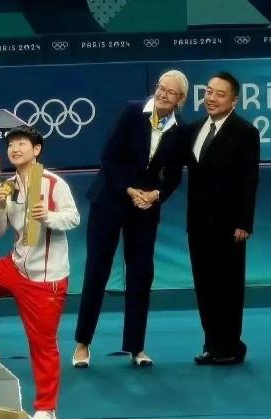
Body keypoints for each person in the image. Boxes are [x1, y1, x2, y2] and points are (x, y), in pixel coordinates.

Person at [73, 70, 189, 367]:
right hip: (110, 199)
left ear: (181, 99)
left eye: (170, 92)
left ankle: (137, 348)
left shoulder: (180, 129)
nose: (162, 94)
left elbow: (174, 175)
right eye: (161, 88)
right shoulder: (131, 112)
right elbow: (109, 157)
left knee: (141, 275)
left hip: (145, 208)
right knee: (97, 270)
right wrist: (128, 189)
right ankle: (82, 344)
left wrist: (155, 194)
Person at [0, 125, 79, 419]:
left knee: (42, 346)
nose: (15, 149)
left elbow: (73, 218)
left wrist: (48, 216)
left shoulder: (54, 183)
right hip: (13, 266)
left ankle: (46, 409)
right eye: (11, 145)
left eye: (22, 144)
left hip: (45, 279)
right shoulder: (8, 186)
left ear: (36, 150)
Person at [188, 72, 260, 365]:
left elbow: (249, 179)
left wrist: (244, 221)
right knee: (205, 286)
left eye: (220, 94)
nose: (212, 98)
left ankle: (230, 347)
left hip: (230, 225)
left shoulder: (245, 131)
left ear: (234, 100)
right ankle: (212, 344)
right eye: (209, 92)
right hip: (197, 224)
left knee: (228, 287)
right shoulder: (195, 128)